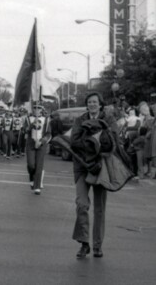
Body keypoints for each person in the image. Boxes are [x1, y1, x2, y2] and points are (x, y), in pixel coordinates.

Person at [71, 92, 116, 259]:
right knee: (81, 204)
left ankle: (98, 246)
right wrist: (93, 142)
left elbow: (113, 140)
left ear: (100, 104)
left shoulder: (109, 119)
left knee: (99, 209)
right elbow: (74, 142)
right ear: (87, 104)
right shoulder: (79, 120)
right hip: (82, 167)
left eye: (95, 102)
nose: (92, 104)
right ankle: (84, 243)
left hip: (101, 167)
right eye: (89, 102)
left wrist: (95, 141)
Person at [25, 103, 51, 195]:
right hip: (30, 144)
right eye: (35, 108)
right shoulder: (28, 118)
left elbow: (49, 134)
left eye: (38, 108)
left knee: (39, 165)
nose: (36, 110)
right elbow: (25, 130)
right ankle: (32, 177)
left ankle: (37, 187)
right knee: (31, 164)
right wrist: (32, 124)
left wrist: (42, 141)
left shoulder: (46, 119)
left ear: (41, 110)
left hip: (41, 144)